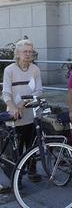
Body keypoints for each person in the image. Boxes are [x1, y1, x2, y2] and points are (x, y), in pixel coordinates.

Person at [2, 39, 43, 191]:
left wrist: (23, 104)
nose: (28, 54)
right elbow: (6, 92)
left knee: (32, 144)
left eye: (30, 51)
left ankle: (32, 170)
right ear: (17, 54)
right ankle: (16, 176)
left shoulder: (35, 69)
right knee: (16, 148)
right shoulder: (9, 70)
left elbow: (38, 91)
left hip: (31, 112)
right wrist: (13, 106)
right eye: (24, 51)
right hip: (15, 115)